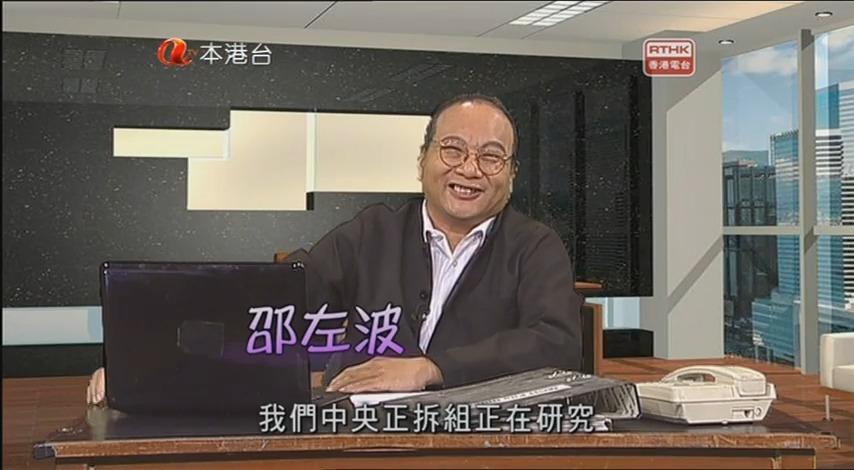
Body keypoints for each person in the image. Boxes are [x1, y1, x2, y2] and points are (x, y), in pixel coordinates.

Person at [86, 94, 583, 404]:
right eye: (452, 149)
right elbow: (273, 304)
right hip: (364, 437)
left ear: (511, 176)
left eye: (492, 157)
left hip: (482, 438)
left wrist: (432, 369)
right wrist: (150, 360)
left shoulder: (534, 246)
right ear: (423, 161)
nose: (470, 169)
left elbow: (556, 342)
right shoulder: (372, 231)